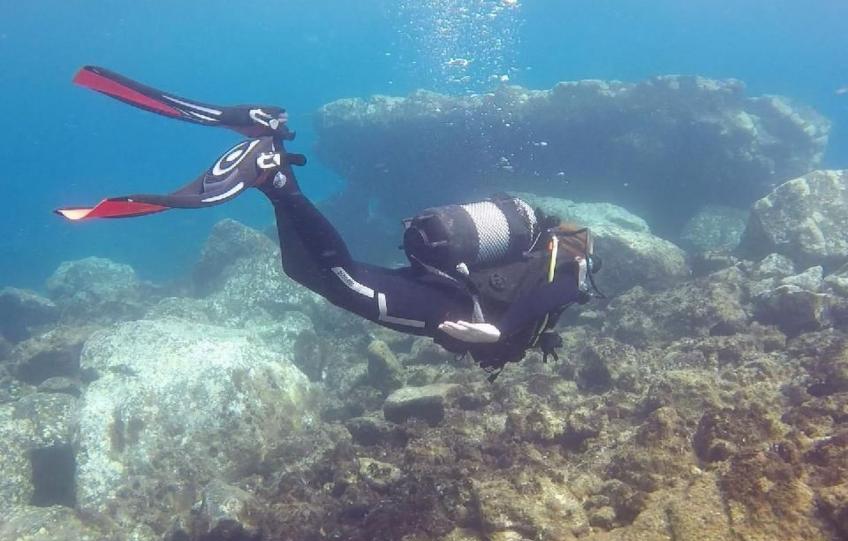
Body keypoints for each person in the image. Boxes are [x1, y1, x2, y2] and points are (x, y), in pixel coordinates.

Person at [57, 66, 603, 378]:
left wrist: (518, 332)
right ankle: (273, 175)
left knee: (305, 271)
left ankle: (272, 167)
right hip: (451, 306)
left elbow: (544, 290)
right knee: (339, 279)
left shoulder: (551, 255)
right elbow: (556, 286)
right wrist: (504, 331)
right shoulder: (571, 270)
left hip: (451, 288)